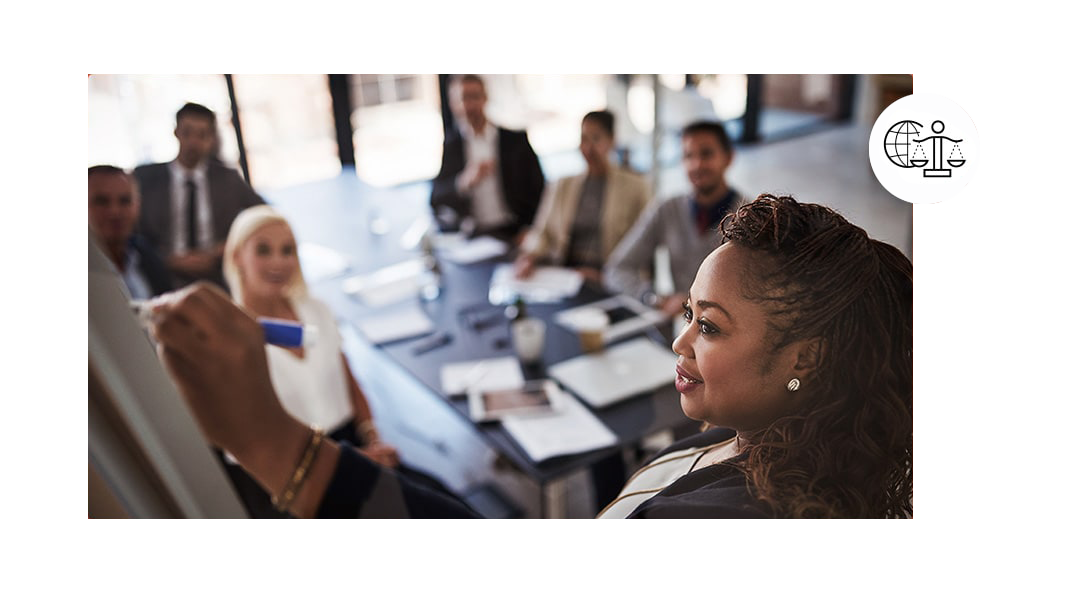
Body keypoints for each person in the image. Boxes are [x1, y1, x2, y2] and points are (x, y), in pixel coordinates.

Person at [151, 195, 912, 519]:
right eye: (685, 314)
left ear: (802, 357)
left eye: (708, 326)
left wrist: (271, 441)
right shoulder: (754, 431)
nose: (678, 340)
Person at [219, 205, 459, 517]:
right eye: (263, 250)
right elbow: (253, 453)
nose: (278, 261)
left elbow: (348, 381)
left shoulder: (316, 311)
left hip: (351, 447)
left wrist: (373, 438)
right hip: (293, 479)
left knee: (444, 503)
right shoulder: (230, 343)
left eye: (287, 250)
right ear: (237, 256)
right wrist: (348, 468)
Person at [604, 120, 744, 316]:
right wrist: (653, 298)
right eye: (688, 156)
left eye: (706, 154)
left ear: (728, 158)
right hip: (680, 328)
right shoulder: (667, 209)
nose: (696, 165)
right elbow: (617, 269)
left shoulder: (750, 218)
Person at [134, 102, 265, 290]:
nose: (193, 142)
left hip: (218, 275)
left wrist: (223, 248)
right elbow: (135, 234)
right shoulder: (146, 179)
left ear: (212, 138)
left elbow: (263, 216)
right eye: (187, 133)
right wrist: (167, 259)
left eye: (202, 135)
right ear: (176, 132)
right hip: (163, 277)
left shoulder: (228, 179)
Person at [514, 110, 651, 285]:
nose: (588, 148)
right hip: (566, 275)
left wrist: (606, 278)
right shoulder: (563, 185)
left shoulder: (635, 187)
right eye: (584, 139)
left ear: (612, 141)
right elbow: (542, 232)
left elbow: (643, 248)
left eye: (596, 138)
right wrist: (529, 257)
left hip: (608, 278)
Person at [430, 75, 545, 244]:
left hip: (514, 230)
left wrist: (530, 229)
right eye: (463, 98)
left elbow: (540, 191)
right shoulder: (452, 146)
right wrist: (463, 182)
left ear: (485, 98)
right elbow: (436, 197)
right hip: (475, 235)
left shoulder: (515, 141)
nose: (469, 105)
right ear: (453, 104)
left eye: (474, 97)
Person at [88, 165, 172, 299]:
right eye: (102, 201)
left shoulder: (147, 256)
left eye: (125, 201)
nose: (114, 212)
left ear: (137, 205)